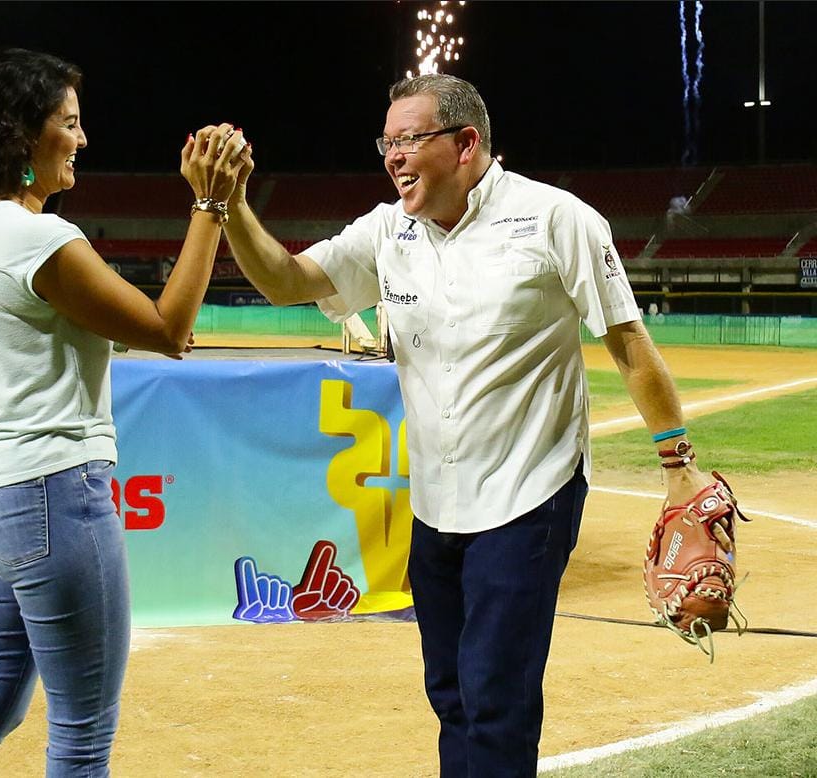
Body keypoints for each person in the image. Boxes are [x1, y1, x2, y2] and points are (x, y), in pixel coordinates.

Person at [216, 74, 717, 777]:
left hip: (529, 494)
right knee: (450, 691)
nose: (392, 157)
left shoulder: (556, 219)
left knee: (494, 696)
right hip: (435, 502)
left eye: (409, 140)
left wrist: (678, 464)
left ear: (465, 143)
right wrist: (232, 206)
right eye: (386, 142)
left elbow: (629, 344)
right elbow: (288, 281)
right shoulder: (388, 229)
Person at [0, 48, 246, 777]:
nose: (83, 139)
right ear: (22, 133)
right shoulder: (40, 239)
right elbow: (169, 329)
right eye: (69, 123)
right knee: (82, 738)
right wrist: (210, 204)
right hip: (49, 499)